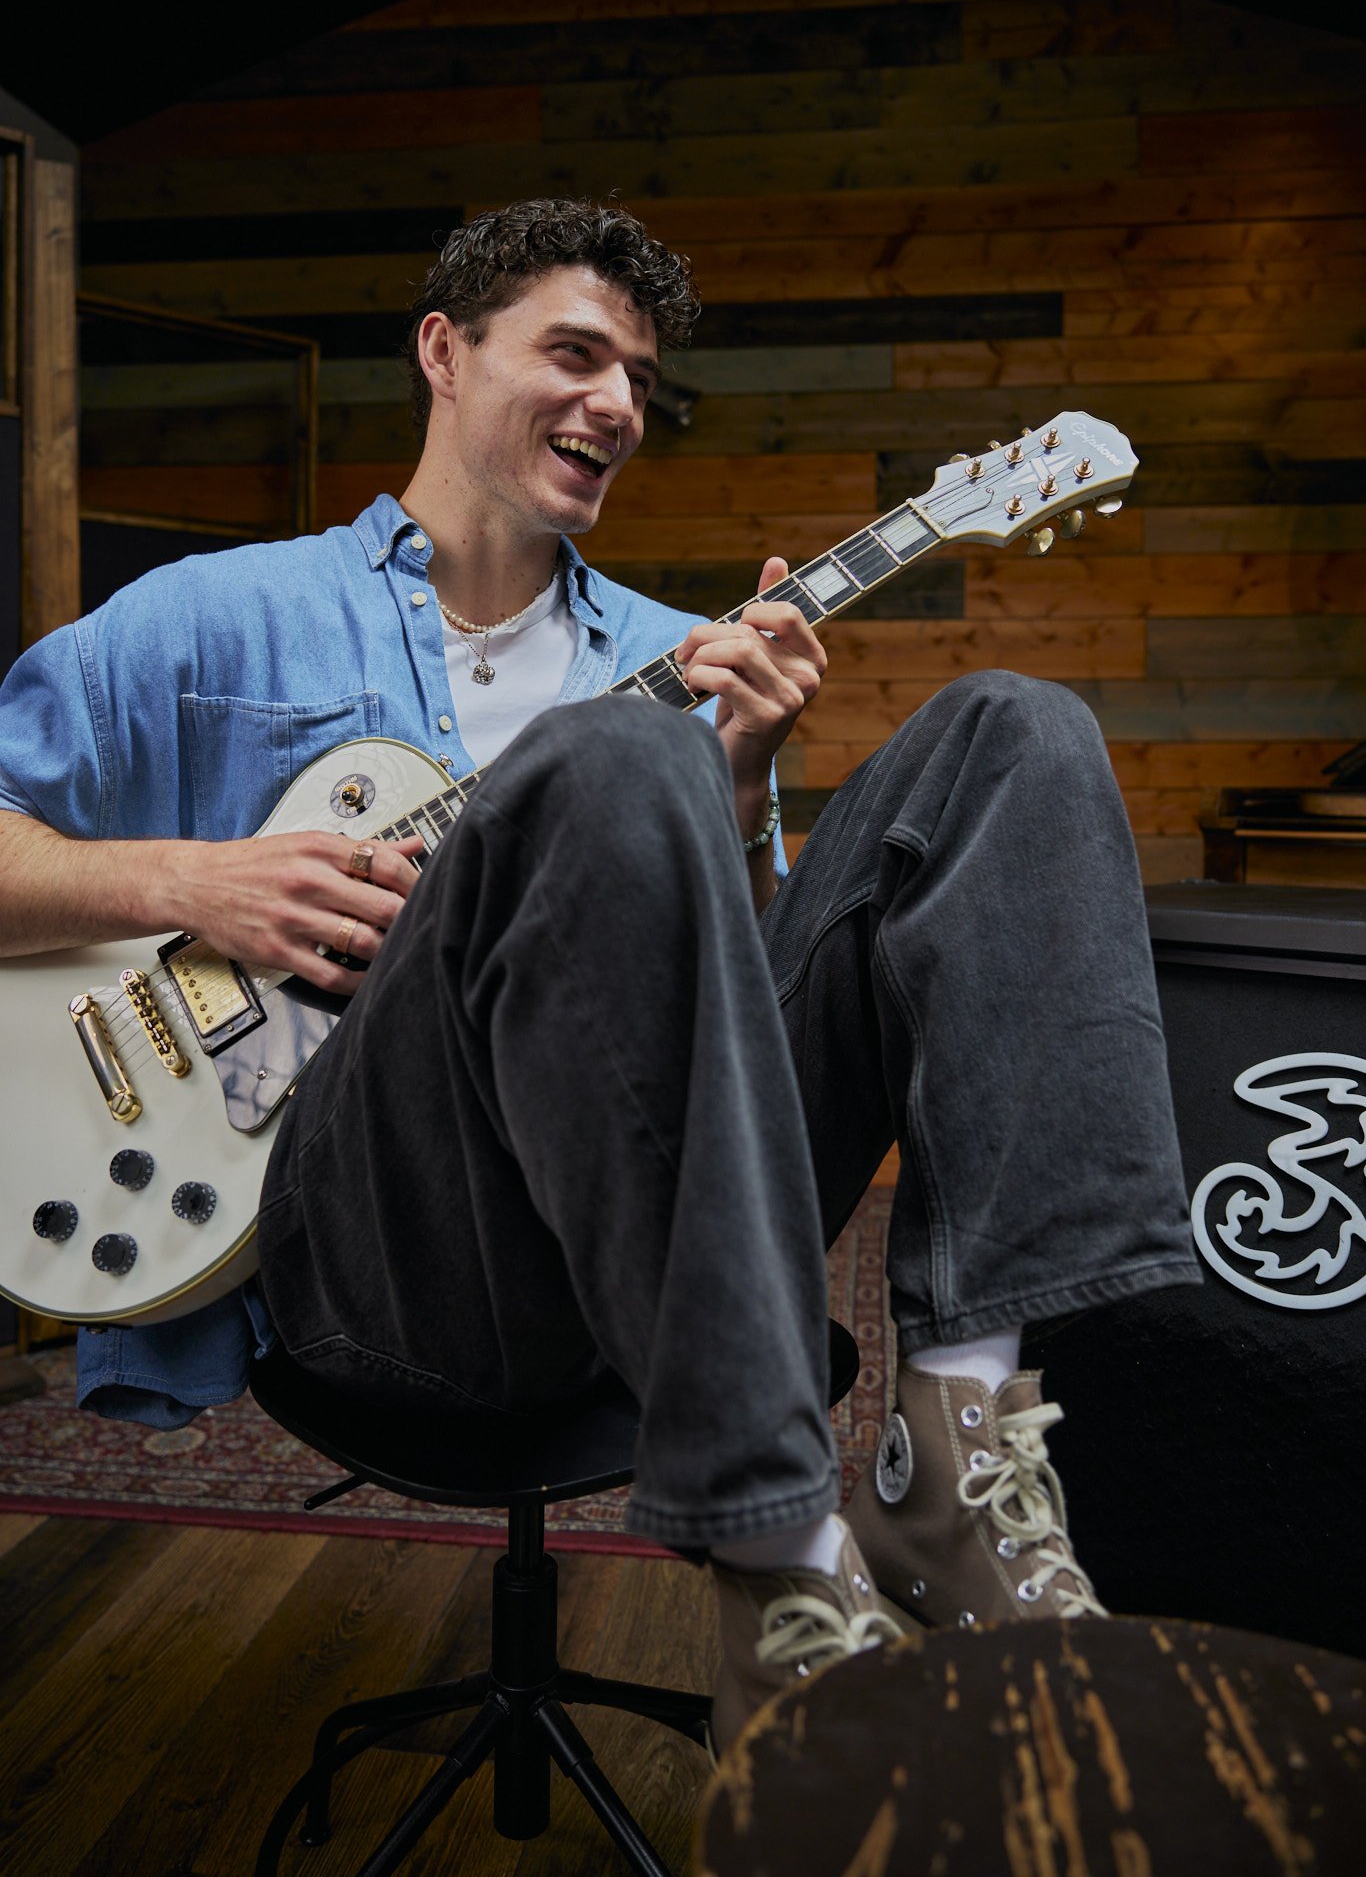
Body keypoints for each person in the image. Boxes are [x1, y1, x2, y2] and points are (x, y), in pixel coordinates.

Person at [0, 197, 1201, 1752]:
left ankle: (950, 1453)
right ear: (443, 351)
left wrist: (742, 768)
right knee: (615, 756)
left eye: (641, 378)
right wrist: (187, 877)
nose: (619, 405)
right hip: (388, 1252)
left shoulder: (676, 651)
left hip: (659, 1219)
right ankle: (774, 1546)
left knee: (1016, 731)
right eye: (574, 352)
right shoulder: (217, 620)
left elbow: (726, 1041)